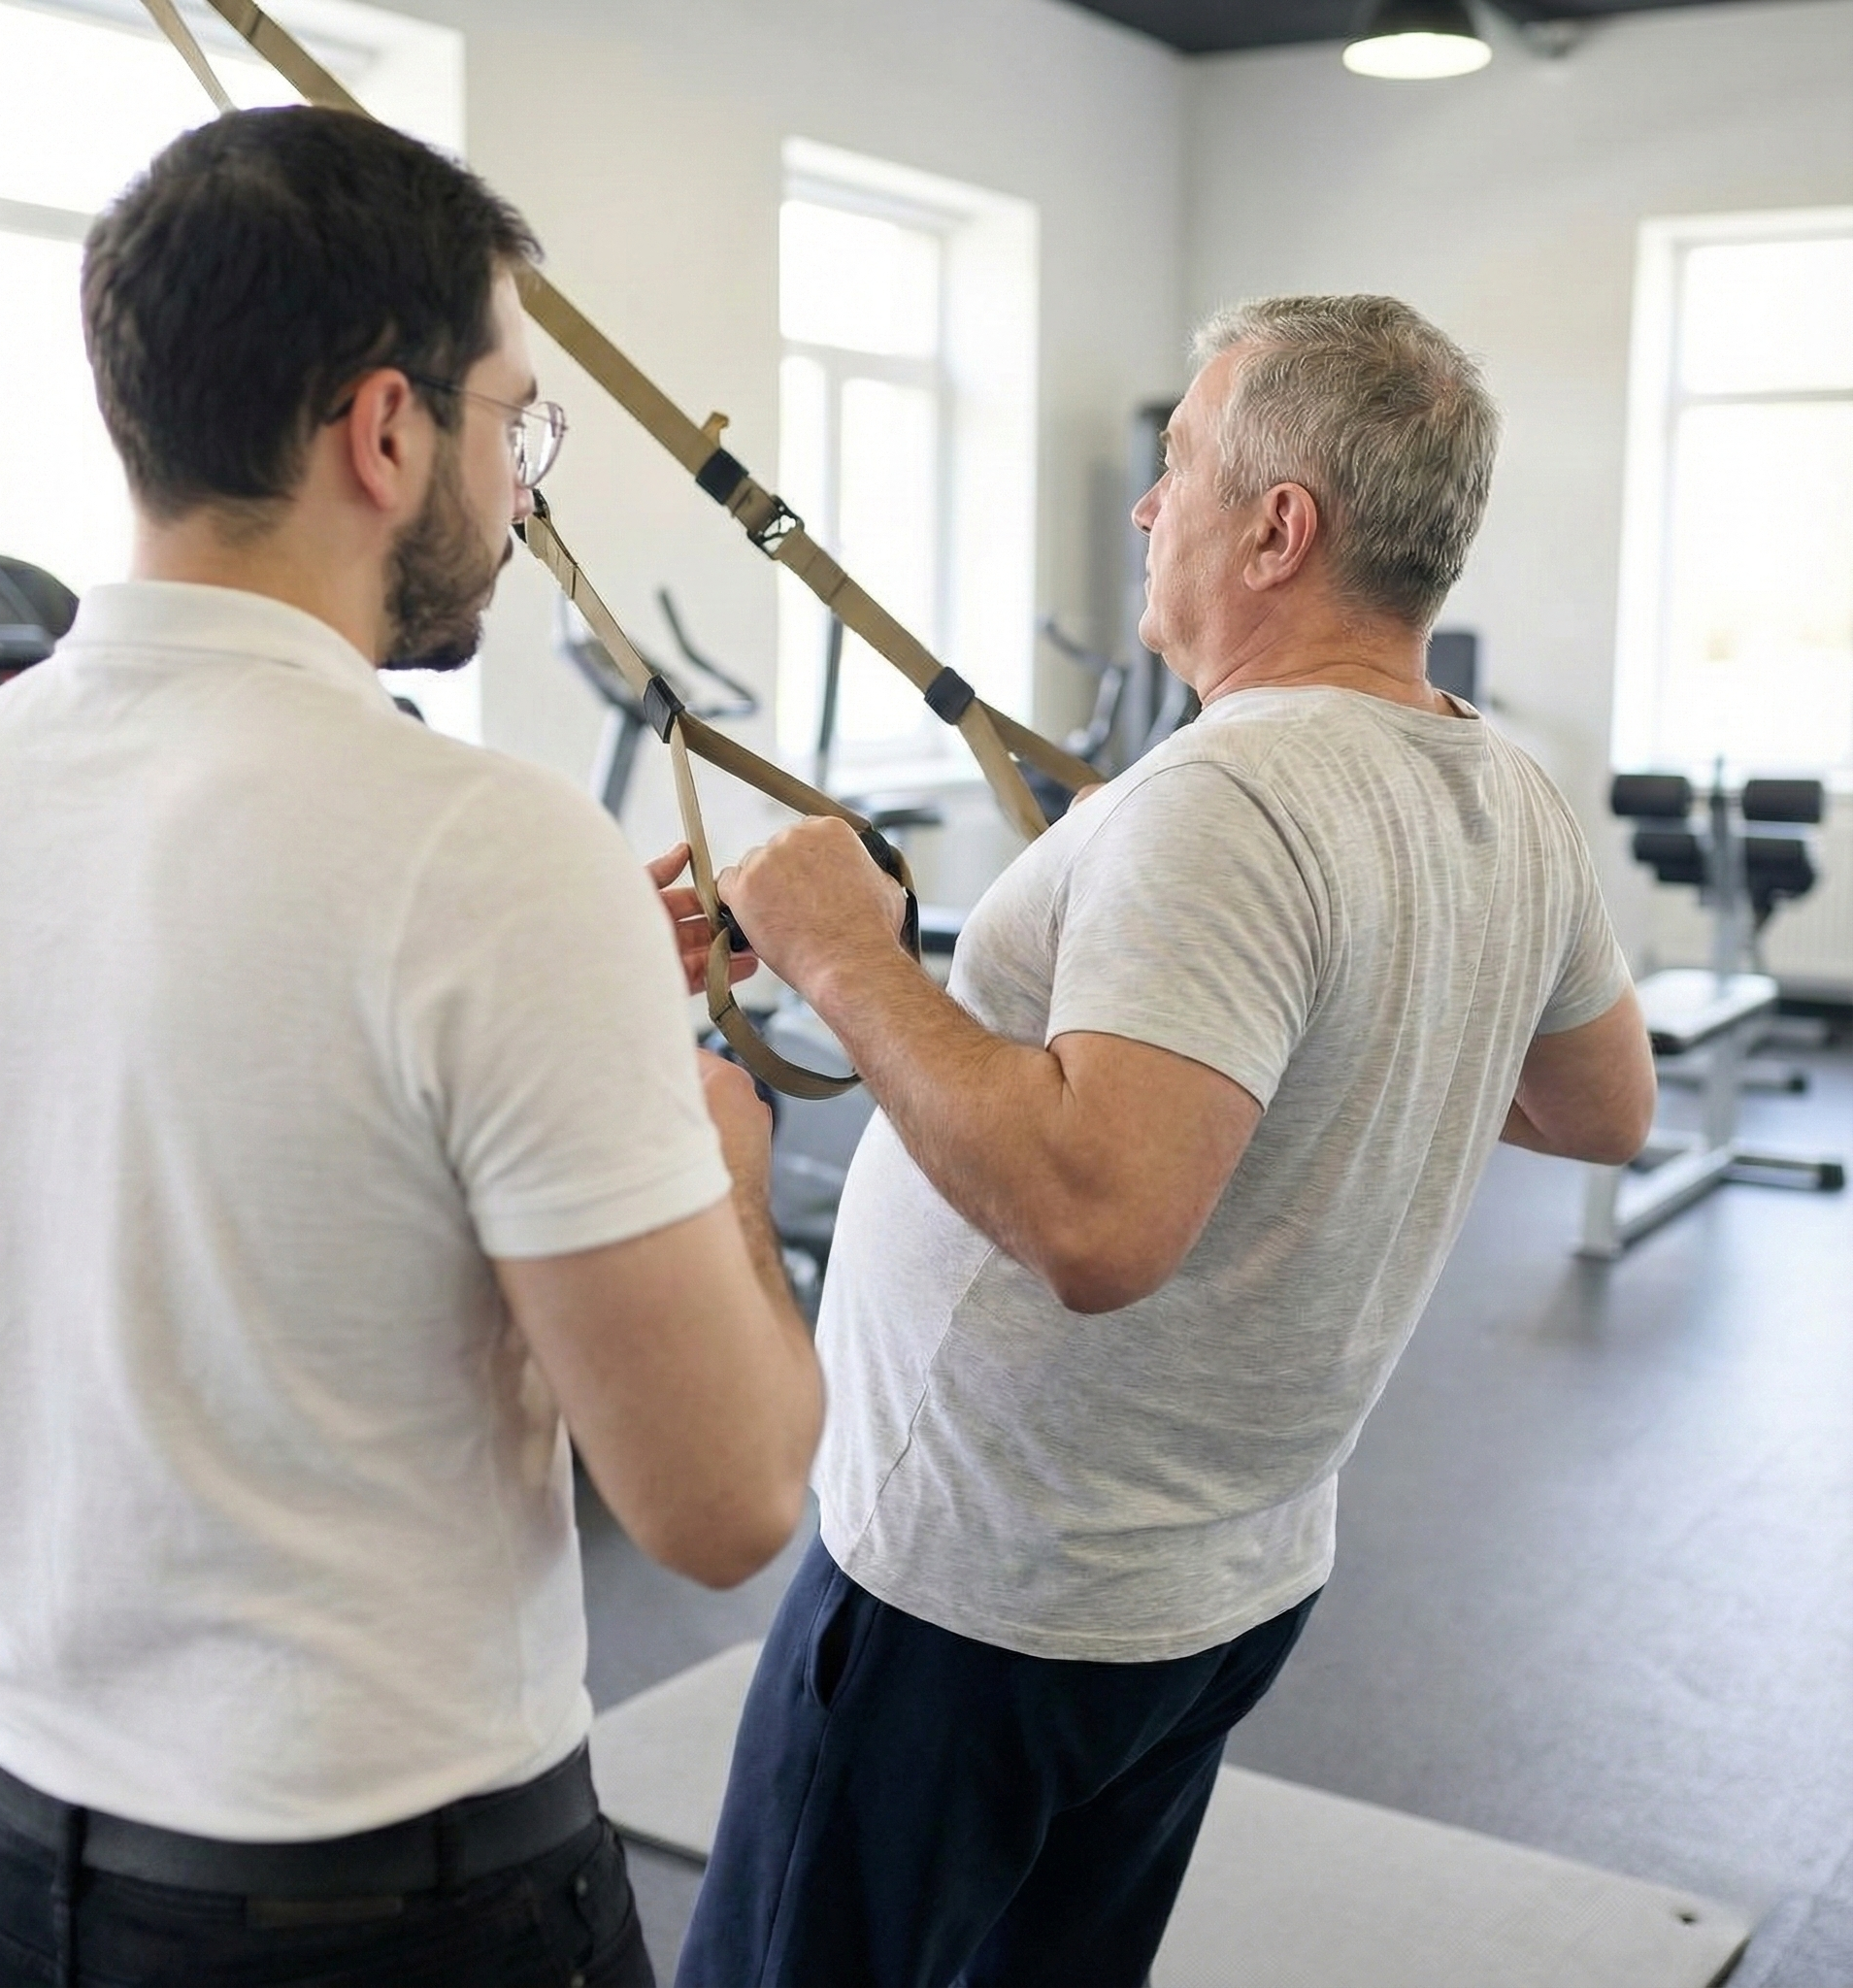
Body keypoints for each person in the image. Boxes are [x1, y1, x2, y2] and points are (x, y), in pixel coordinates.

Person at [0, 107, 821, 1988]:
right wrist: (710, 1139)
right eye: (508, 422)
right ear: (385, 430)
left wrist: (564, 1009)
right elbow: (724, 1505)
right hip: (388, 1908)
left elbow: (213, 1054)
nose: (516, 481)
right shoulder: (486, 851)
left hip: (19, 1871)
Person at [676, 293, 1657, 1988]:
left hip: (987, 1589)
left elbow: (1099, 1224)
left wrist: (844, 955)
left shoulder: (1230, 802)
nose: (1148, 503)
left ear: (1280, 528)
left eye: (1179, 464)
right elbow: (1598, 1101)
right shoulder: (1500, 792)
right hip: (1217, 1588)